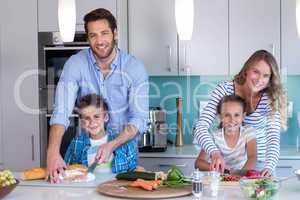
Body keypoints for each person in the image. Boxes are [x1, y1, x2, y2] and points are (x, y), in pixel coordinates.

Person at [46, 8, 149, 183]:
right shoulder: (75, 64)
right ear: (88, 38)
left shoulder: (134, 68)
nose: (99, 41)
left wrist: (112, 145)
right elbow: (61, 110)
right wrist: (52, 152)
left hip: (123, 151)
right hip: (87, 150)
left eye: (104, 33)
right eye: (93, 35)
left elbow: (139, 119)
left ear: (115, 33)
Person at [194, 49, 286, 177]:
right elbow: (201, 127)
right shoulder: (224, 90)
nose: (260, 79)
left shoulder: (270, 98)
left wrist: (269, 166)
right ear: (247, 70)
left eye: (266, 76)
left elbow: (273, 137)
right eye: (256, 72)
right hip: (227, 162)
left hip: (260, 163)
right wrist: (214, 153)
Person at [195, 95, 257, 173]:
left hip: (242, 178)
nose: (232, 120)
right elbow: (198, 163)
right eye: (227, 115)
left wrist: (240, 174)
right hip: (220, 179)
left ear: (243, 116)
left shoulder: (248, 132)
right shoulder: (214, 136)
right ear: (220, 117)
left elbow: (252, 157)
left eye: (236, 115)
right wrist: (222, 170)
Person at [64, 94, 113, 173]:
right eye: (87, 118)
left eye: (96, 116)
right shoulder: (76, 144)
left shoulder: (118, 142)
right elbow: (66, 170)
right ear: (82, 122)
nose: (92, 122)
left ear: (106, 117)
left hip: (112, 185)